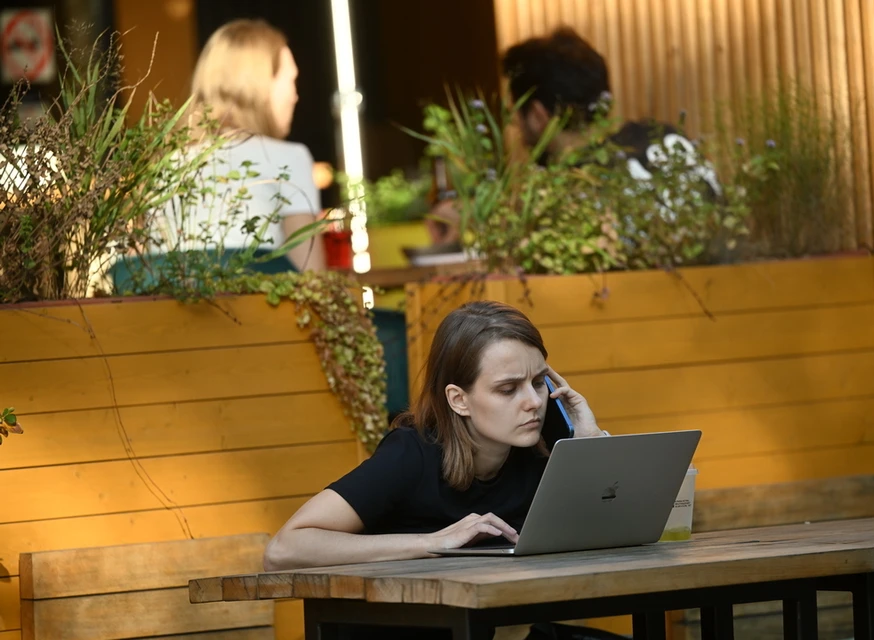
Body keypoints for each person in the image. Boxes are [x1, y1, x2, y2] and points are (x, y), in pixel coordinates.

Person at [264, 300, 623, 640]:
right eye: (508, 389)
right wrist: (433, 543)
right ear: (459, 400)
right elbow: (282, 551)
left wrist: (591, 440)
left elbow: (616, 532)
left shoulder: (545, 445)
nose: (533, 402)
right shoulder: (411, 454)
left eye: (539, 382)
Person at [177, 18, 325, 273]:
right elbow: (311, 277)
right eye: (291, 81)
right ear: (261, 85)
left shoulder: (168, 166)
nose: (295, 96)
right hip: (259, 300)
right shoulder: (290, 158)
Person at [502, 27, 722, 197]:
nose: (516, 128)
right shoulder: (667, 140)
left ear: (537, 117)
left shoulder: (568, 196)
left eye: (515, 116)